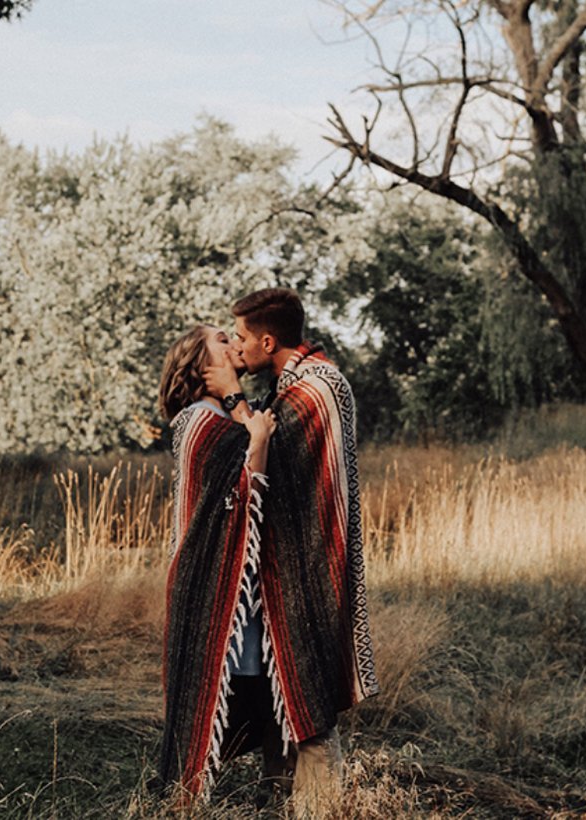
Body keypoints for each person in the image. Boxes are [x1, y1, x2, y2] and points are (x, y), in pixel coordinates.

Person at [204, 287, 380, 817]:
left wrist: (233, 396)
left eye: (239, 337)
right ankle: (280, 801)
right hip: (293, 563)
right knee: (284, 689)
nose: (235, 346)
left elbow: (265, 457)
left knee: (308, 692)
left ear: (266, 339)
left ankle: (322, 809)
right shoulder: (296, 383)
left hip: (311, 565)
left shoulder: (315, 389)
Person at [156, 324, 278, 801]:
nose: (234, 343)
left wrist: (236, 401)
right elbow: (247, 489)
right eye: (222, 340)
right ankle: (192, 793)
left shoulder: (217, 415)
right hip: (212, 578)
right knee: (227, 681)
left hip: (229, 576)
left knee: (253, 680)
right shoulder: (200, 422)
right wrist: (260, 439)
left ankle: (270, 787)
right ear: (199, 367)